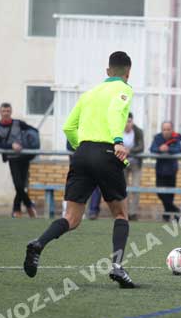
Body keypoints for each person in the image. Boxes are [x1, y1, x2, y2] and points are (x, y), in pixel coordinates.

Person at [23, 51, 136, 288]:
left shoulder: (90, 93)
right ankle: (117, 267)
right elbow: (115, 112)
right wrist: (117, 141)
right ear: (128, 72)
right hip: (107, 152)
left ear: (107, 71)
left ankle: (39, 243)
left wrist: (83, 149)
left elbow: (68, 128)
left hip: (81, 153)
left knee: (72, 218)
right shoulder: (124, 89)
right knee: (120, 214)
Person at [88, 113, 144, 220]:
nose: (127, 124)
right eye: (125, 121)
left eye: (129, 121)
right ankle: (124, 212)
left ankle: (133, 213)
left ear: (132, 122)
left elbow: (141, 147)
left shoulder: (138, 131)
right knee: (122, 187)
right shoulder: (117, 131)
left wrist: (129, 151)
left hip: (135, 163)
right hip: (120, 161)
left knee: (135, 187)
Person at [0, 103, 37, 218]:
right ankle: (29, 205)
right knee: (18, 184)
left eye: (8, 111)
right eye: (3, 111)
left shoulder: (19, 123)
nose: (6, 113)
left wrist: (28, 142)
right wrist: (11, 145)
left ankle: (16, 210)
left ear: (11, 112)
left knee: (21, 185)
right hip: (12, 158)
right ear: (0, 112)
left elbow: (33, 131)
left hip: (24, 156)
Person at [150, 121, 181, 221]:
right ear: (162, 130)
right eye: (164, 129)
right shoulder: (157, 138)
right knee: (159, 193)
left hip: (172, 170)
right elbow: (152, 149)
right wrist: (160, 149)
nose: (166, 131)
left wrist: (168, 149)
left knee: (170, 194)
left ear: (172, 130)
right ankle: (176, 211)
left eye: (168, 129)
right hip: (160, 170)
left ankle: (167, 214)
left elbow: (178, 150)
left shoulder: (176, 138)